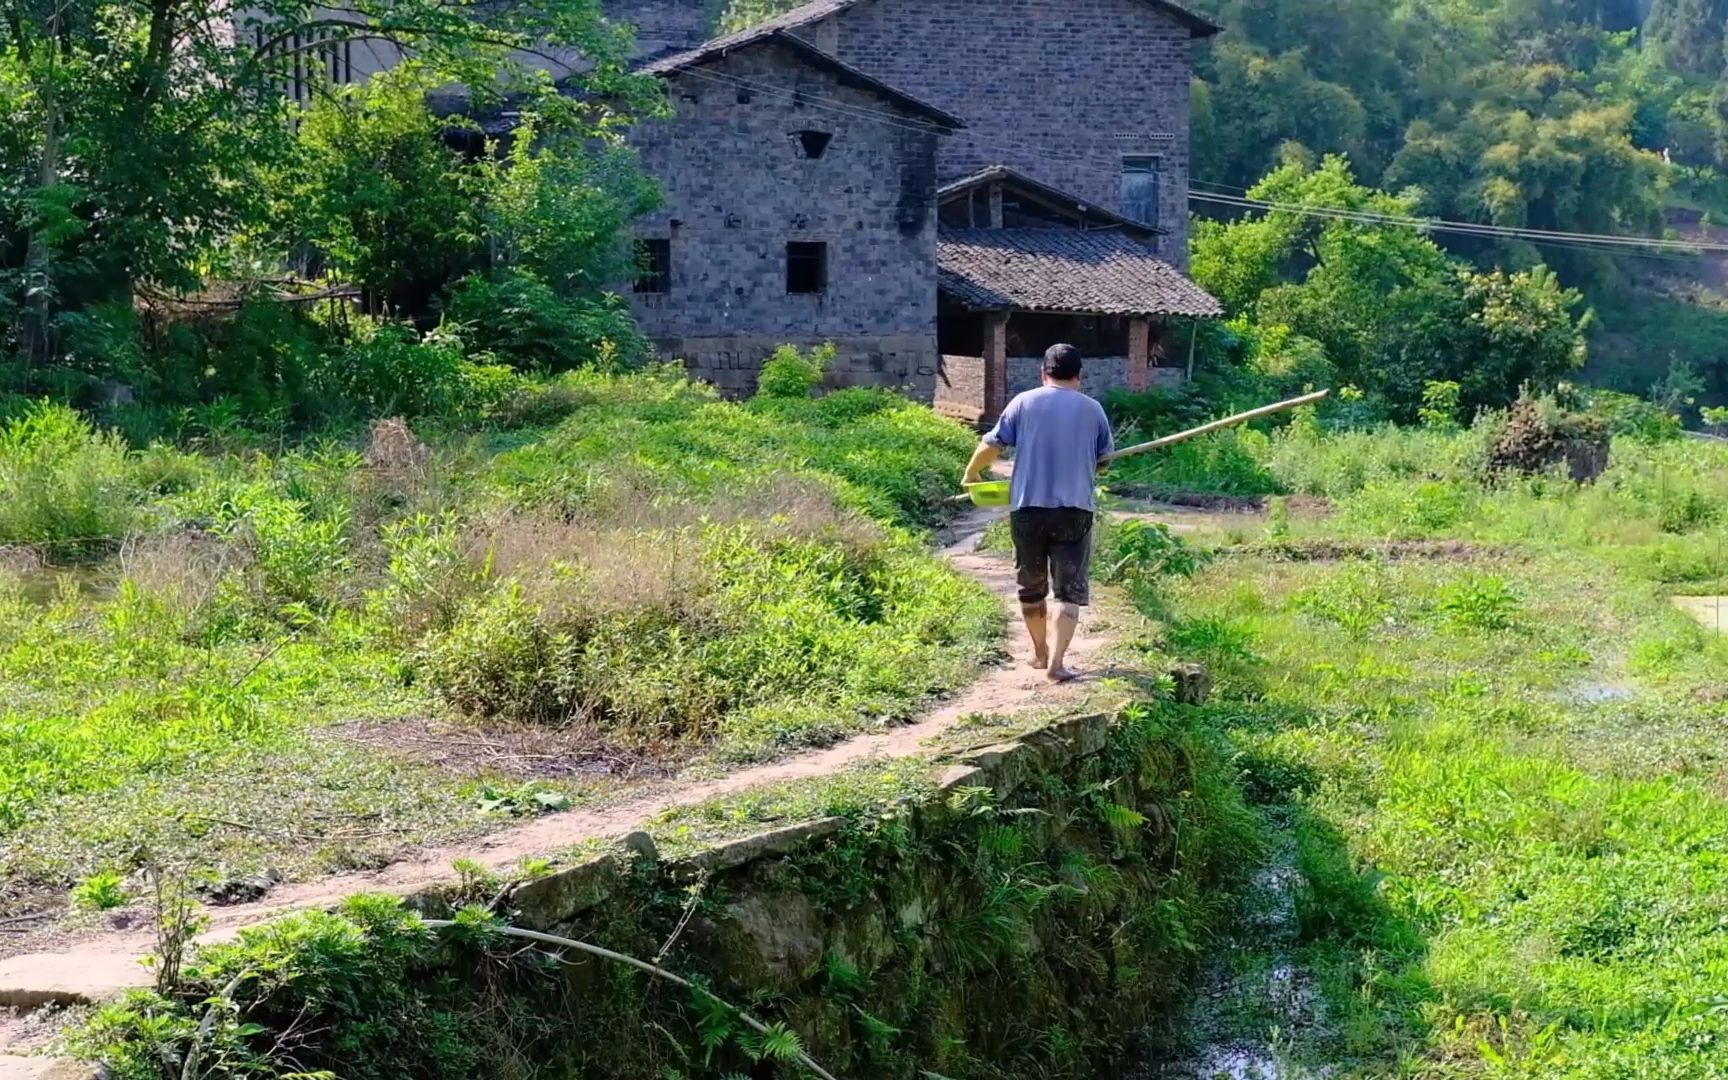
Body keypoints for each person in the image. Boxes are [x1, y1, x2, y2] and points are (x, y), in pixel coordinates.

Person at [962, 343, 1113, 683]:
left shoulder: (1023, 403)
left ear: (1043, 372)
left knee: (1030, 588)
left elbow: (993, 444)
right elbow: (1104, 461)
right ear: (1079, 375)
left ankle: (1039, 652)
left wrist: (971, 474)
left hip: (1028, 508)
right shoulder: (1093, 410)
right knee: (1067, 591)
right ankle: (1057, 664)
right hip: (1074, 509)